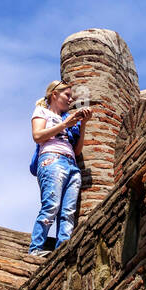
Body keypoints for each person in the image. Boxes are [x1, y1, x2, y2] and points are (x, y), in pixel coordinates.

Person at [28, 80, 88, 255]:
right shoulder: (42, 112)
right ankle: (36, 249)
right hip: (52, 160)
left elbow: (77, 151)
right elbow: (37, 136)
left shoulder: (67, 120)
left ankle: (63, 249)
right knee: (51, 205)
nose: (70, 100)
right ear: (54, 94)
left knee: (68, 211)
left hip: (71, 163)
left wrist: (82, 124)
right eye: (67, 95)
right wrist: (64, 125)